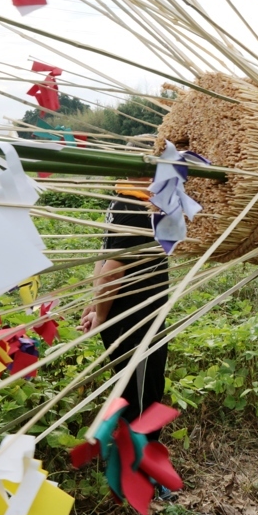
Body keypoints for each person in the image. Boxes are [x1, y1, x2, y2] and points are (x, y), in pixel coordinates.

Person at [80, 180, 170, 429]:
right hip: (135, 323)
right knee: (142, 404)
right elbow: (111, 271)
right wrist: (99, 315)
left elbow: (105, 252)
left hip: (128, 319)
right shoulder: (137, 208)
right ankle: (134, 465)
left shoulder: (124, 201)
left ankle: (127, 457)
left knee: (133, 393)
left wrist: (95, 303)